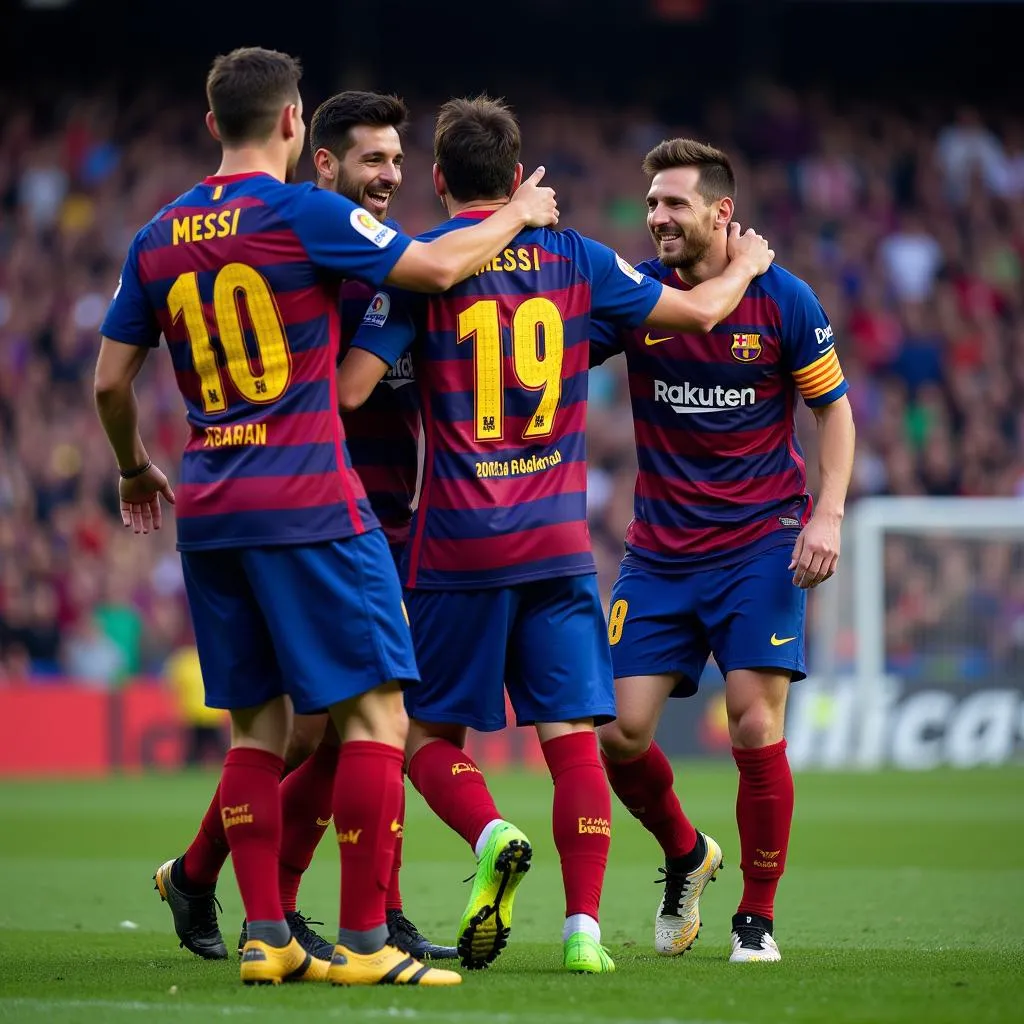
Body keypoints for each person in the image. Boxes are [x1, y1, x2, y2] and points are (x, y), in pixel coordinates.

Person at [94, 48, 557, 987]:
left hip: (213, 509)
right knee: (380, 715)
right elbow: (428, 265)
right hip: (310, 499)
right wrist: (516, 212)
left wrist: (135, 466)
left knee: (258, 733)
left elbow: (109, 379)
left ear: (211, 118)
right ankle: (366, 943)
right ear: (296, 123)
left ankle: (266, 936)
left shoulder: (155, 236)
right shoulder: (302, 211)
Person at [337, 97, 773, 975]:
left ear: (436, 178)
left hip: (455, 541)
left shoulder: (420, 269)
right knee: (574, 737)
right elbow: (693, 316)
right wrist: (744, 271)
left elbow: (352, 390)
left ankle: (490, 829)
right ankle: (582, 934)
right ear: (518, 171)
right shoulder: (578, 259)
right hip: (556, 543)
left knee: (423, 740)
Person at [159, 89, 454, 967]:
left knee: (322, 728)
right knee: (338, 725)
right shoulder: (322, 236)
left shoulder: (364, 250)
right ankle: (331, 917)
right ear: (316, 155)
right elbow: (358, 379)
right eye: (372, 160)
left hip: (373, 512)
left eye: (399, 162)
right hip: (312, 508)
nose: (389, 176)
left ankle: (233, 893)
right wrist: (512, 218)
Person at [591, 139, 855, 963]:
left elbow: (834, 413)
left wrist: (830, 514)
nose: (658, 217)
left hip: (760, 545)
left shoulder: (785, 298)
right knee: (618, 736)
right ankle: (685, 853)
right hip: (660, 553)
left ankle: (757, 918)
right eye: (653, 204)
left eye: (674, 203)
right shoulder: (638, 294)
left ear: (720, 211)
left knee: (751, 722)